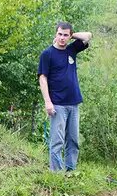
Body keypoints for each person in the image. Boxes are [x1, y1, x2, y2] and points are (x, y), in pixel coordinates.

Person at [38, 22, 92, 172]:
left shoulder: (72, 49)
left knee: (73, 140)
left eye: (65, 35)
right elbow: (43, 78)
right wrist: (47, 102)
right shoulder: (47, 54)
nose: (62, 38)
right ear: (55, 34)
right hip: (57, 104)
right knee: (57, 141)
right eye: (60, 34)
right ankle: (55, 174)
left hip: (73, 103)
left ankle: (70, 171)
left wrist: (72, 35)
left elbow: (88, 36)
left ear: (69, 36)